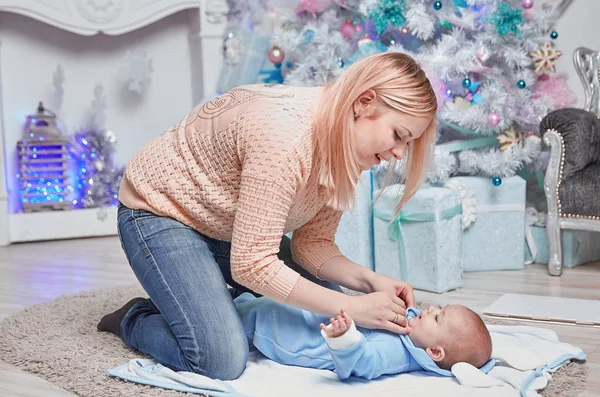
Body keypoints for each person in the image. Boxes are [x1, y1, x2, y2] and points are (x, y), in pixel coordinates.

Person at [97, 52, 438, 380]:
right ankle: (136, 317)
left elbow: (312, 243)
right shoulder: (286, 138)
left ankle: (205, 300)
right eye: (398, 136)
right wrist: (349, 307)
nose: (398, 153)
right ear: (364, 102)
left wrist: (370, 282)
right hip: (161, 211)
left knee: (320, 302)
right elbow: (252, 264)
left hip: (226, 224)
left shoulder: (349, 148)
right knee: (221, 358)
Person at [234, 293, 494, 380]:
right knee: (263, 303)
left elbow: (364, 363)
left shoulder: (397, 354)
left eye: (438, 317)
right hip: (315, 317)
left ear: (434, 352)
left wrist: (345, 339)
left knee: (259, 315)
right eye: (440, 307)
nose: (432, 309)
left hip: (296, 339)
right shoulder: (413, 333)